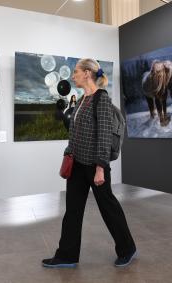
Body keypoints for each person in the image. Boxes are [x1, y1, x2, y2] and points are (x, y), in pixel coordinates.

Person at [42, 58, 137, 268]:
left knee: (108, 207)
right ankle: (66, 255)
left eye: (76, 71)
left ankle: (127, 248)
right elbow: (74, 132)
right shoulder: (83, 99)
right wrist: (68, 154)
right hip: (76, 164)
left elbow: (104, 135)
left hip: (95, 165)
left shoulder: (100, 99)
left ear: (87, 73)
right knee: (73, 210)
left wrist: (101, 167)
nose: (73, 75)